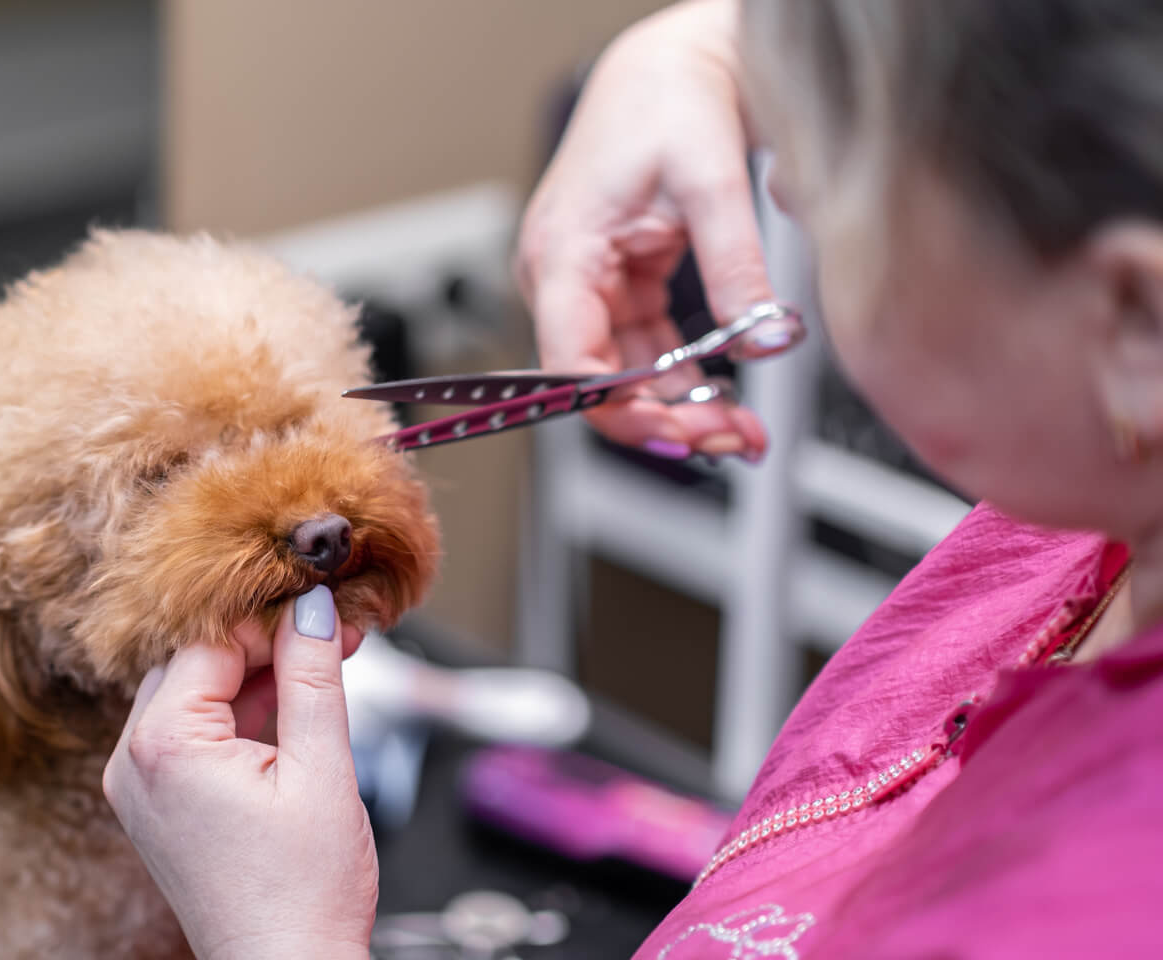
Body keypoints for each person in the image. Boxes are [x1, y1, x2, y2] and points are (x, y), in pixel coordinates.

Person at [102, 0, 1163, 956]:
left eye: (830, 165)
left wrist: (282, 939)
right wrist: (693, 53)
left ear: (1134, 326)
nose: (780, 181)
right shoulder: (1087, 504)